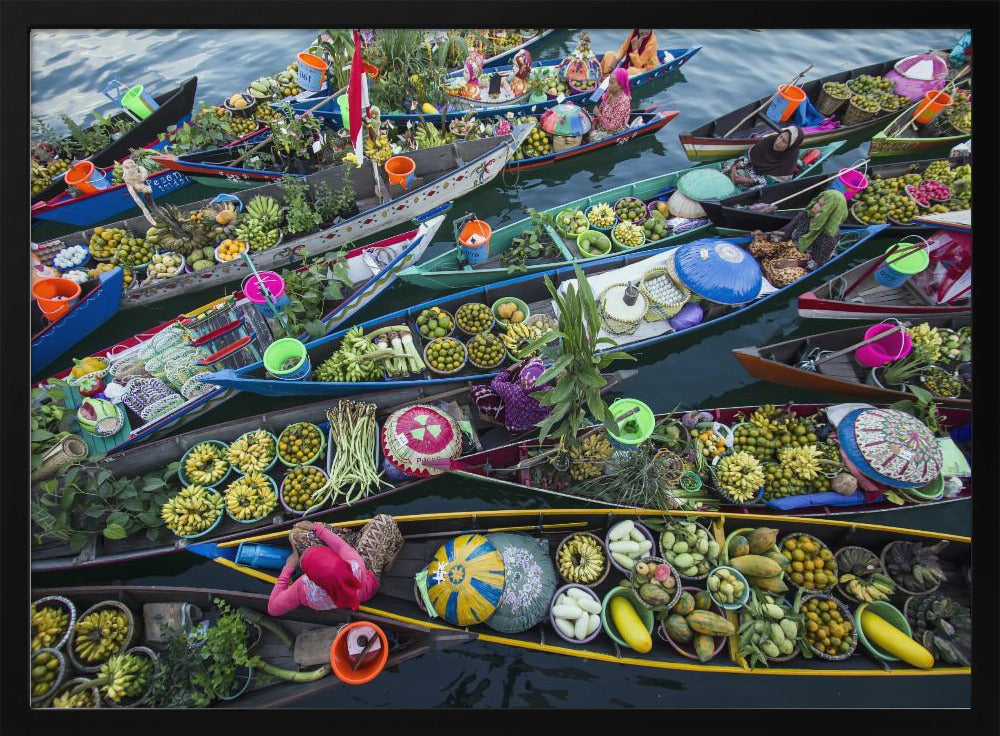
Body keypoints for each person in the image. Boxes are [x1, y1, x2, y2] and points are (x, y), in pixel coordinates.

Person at [268, 518, 396, 616]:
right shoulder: (355, 566)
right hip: (368, 583)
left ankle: (357, 540)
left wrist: (288, 567)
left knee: (295, 535)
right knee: (384, 521)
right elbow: (340, 547)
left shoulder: (305, 589)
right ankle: (388, 552)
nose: (303, 554)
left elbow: (273, 609)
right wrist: (316, 527)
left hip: (343, 597)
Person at [754, 189, 848, 269]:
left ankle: (771, 266)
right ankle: (771, 263)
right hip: (788, 246)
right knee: (755, 246)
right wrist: (765, 235)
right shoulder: (805, 215)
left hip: (802, 262)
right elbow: (785, 233)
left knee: (781, 277)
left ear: (830, 212)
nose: (815, 206)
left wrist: (794, 263)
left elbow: (817, 263)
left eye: (821, 206)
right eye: (817, 202)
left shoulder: (830, 236)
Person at [722, 126, 804, 188]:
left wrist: (748, 180)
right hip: (751, 168)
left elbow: (772, 182)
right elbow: (750, 156)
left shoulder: (790, 159)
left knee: (758, 189)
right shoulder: (770, 140)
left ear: (790, 146)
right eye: (780, 137)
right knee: (728, 163)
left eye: (784, 141)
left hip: (761, 179)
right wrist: (734, 167)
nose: (778, 142)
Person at [590, 68, 632, 137]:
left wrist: (599, 115)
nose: (608, 85)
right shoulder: (609, 93)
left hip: (614, 131)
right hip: (602, 124)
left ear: (620, 85)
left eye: (611, 83)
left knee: (591, 137)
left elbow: (613, 127)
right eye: (609, 82)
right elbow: (601, 109)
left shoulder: (623, 102)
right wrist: (594, 121)